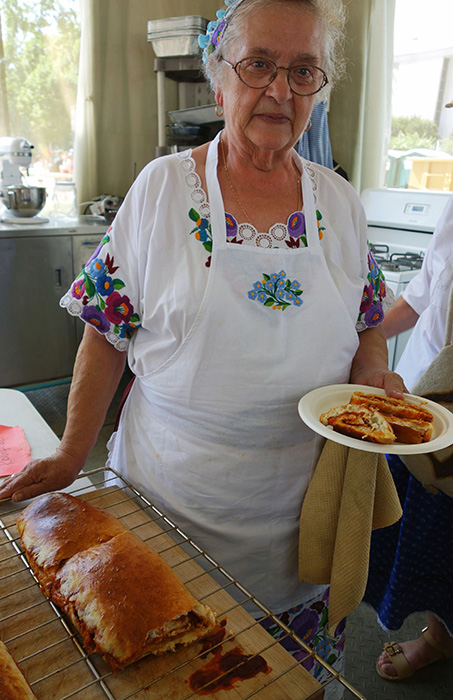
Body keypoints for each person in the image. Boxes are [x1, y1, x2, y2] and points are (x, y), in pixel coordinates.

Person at [0, 0, 405, 693]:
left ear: (319, 88)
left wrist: (373, 373)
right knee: (159, 663)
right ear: (220, 79)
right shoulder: (163, 190)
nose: (279, 89)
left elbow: (369, 319)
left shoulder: (338, 201)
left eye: (302, 70)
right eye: (258, 65)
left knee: (284, 684)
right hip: (171, 514)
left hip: (303, 519)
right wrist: (71, 451)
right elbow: (105, 334)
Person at [364, 194, 453, 681]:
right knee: (426, 530)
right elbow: (424, 294)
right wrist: (361, 336)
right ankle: (439, 635)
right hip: (423, 399)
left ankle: (440, 638)